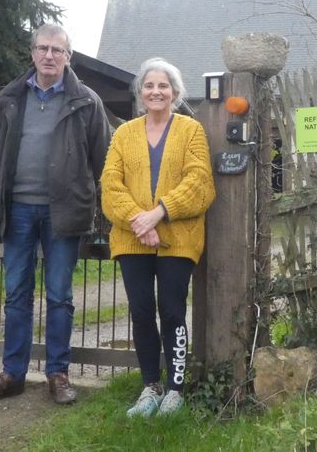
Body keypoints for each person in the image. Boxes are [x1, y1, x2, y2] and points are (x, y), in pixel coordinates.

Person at [0, 23, 110, 406]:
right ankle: (12, 374)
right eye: (43, 48)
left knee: (59, 295)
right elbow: (1, 154)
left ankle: (57, 374)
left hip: (63, 212)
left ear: (69, 57)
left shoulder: (87, 102)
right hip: (17, 209)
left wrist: (98, 206)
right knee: (16, 293)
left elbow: (102, 161)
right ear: (32, 53)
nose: (49, 55)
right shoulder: (12, 99)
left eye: (57, 50)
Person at [100, 58, 215, 417]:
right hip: (132, 238)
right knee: (141, 310)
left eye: (163, 85)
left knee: (171, 309)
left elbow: (200, 183)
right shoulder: (123, 134)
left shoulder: (191, 131)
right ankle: (150, 385)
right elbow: (110, 186)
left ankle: (175, 389)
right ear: (140, 93)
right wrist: (140, 223)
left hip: (178, 238)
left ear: (176, 93)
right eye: (149, 85)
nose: (156, 91)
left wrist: (158, 213)